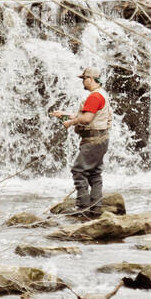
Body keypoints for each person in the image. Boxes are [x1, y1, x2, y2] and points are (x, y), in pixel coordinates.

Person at [50, 67, 112, 218]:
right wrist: (64, 114)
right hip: (102, 139)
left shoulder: (94, 97)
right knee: (95, 173)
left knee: (78, 171)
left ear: (91, 79)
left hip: (92, 140)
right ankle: (96, 209)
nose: (83, 82)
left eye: (84, 79)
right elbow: (88, 114)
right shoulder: (102, 94)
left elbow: (86, 119)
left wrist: (70, 122)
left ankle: (83, 209)